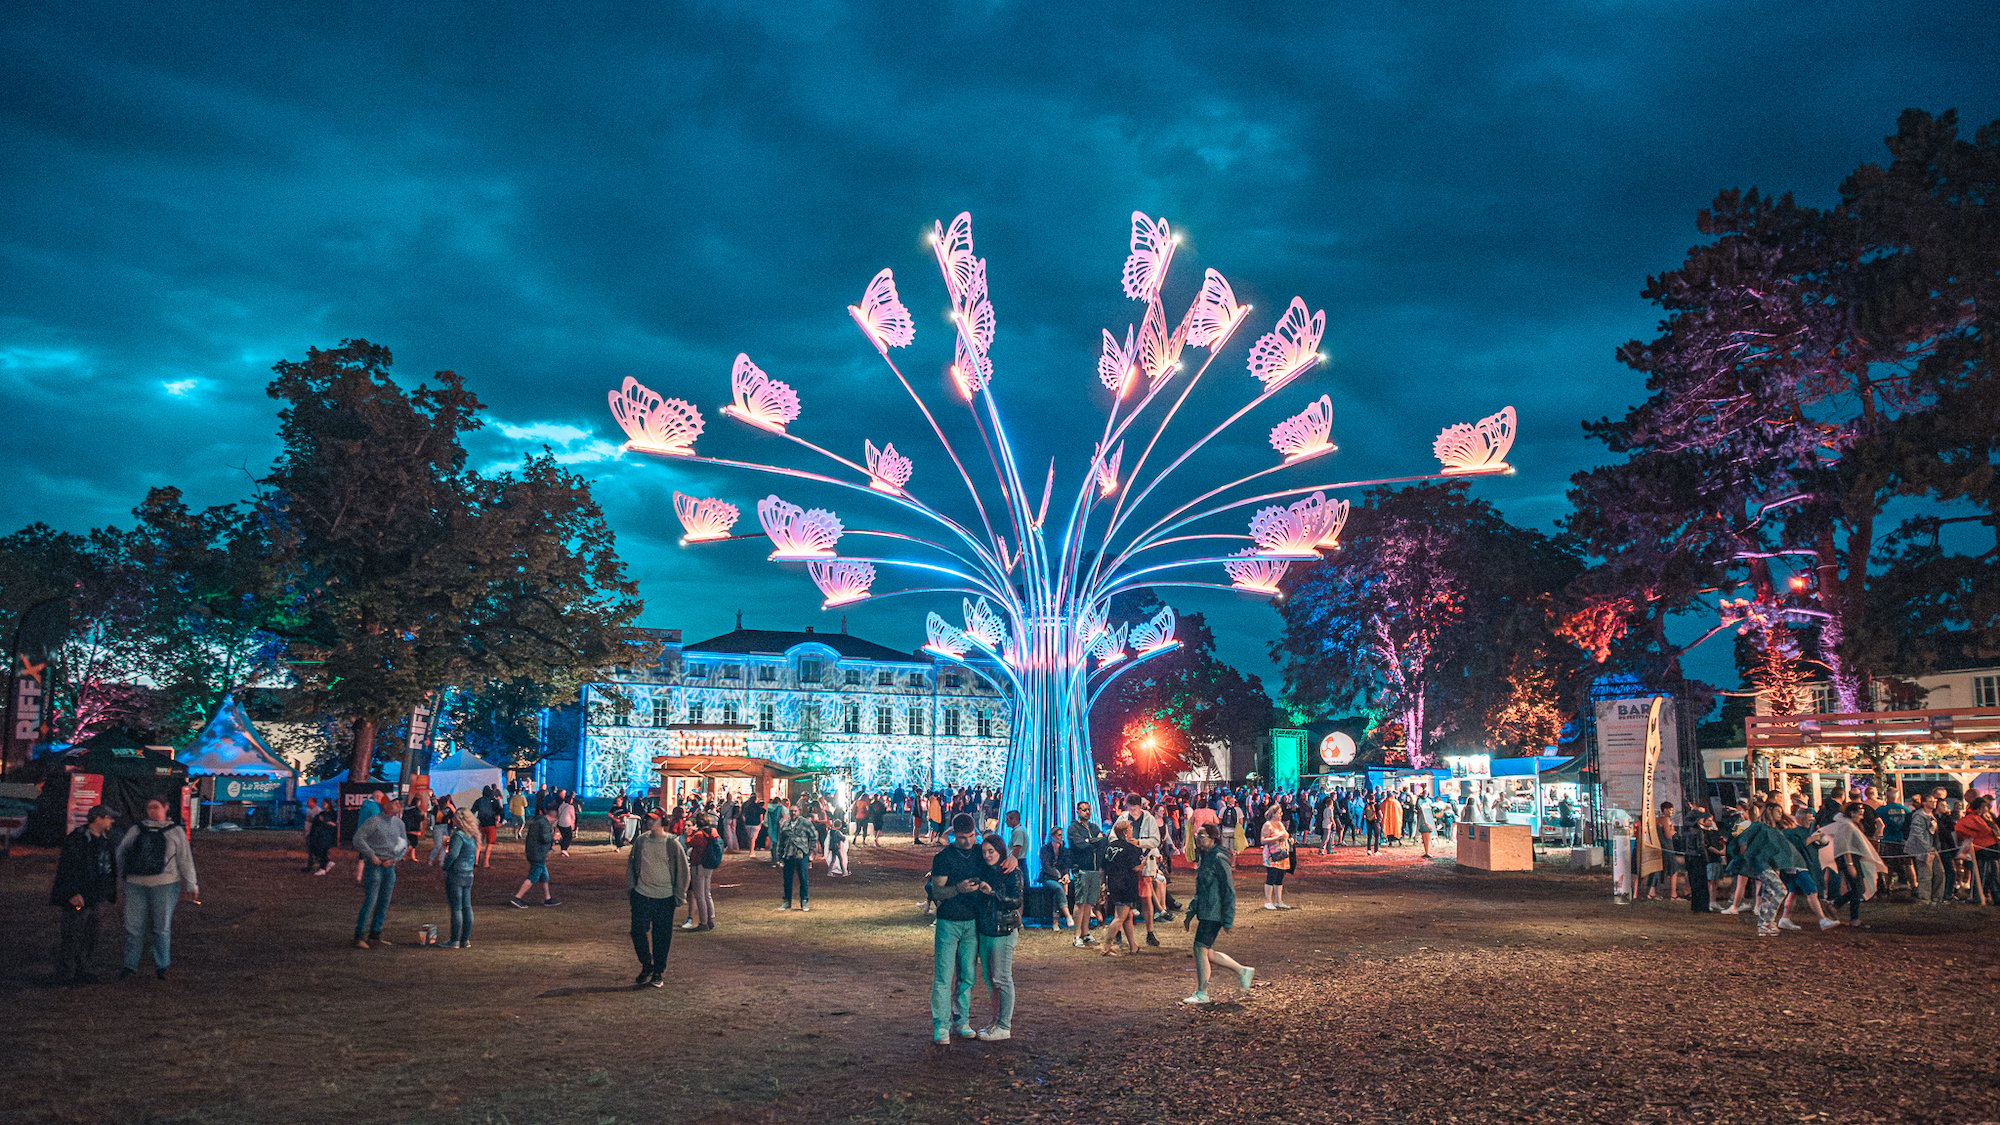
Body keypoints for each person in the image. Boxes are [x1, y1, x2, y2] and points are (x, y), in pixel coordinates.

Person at [928, 813, 986, 1044]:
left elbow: (1002, 856)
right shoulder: (943, 858)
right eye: (962, 838)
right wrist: (958, 889)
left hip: (972, 922)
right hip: (949, 921)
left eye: (971, 836)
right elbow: (937, 891)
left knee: (968, 976)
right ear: (954, 835)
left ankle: (961, 1021)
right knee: (943, 976)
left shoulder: (981, 853)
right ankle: (941, 1025)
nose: (968, 842)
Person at [1182, 824, 1253, 1004]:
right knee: (1205, 951)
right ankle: (1242, 971)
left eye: (1202, 836)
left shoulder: (1219, 858)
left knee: (1200, 948)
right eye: (1197, 835)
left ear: (1213, 838)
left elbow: (1228, 889)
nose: (1198, 839)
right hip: (1206, 910)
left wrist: (1228, 918)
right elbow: (1201, 890)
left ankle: (1202, 992)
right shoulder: (1206, 857)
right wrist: (1191, 912)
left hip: (1214, 912)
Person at [51, 803, 121, 985]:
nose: (111, 821)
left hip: (94, 896)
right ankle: (67, 973)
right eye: (108, 817)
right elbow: (67, 868)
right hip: (81, 895)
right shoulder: (78, 840)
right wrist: (72, 892)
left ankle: (79, 970)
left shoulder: (100, 840)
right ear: (98, 818)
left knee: (90, 935)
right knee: (73, 935)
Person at [627, 810, 689, 988]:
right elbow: (632, 863)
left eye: (653, 819)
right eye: (648, 818)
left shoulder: (672, 843)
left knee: (661, 936)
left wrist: (679, 894)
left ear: (663, 821)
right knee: (637, 931)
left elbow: (682, 870)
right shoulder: (641, 840)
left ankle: (657, 971)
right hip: (642, 894)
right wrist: (632, 887)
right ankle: (647, 964)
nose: (649, 822)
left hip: (664, 896)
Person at [972, 833, 1024, 1041]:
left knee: (1002, 978)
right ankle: (995, 1021)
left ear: (1000, 851)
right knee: (990, 979)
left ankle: (1004, 1025)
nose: (986, 855)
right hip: (986, 930)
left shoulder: (1012, 872)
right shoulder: (983, 869)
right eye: (984, 852)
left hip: (1003, 930)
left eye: (991, 851)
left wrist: (992, 893)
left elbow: (1016, 900)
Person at [351, 794, 408, 949]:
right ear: (386, 805)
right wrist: (372, 855)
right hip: (375, 864)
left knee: (384, 900)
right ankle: (360, 935)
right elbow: (358, 839)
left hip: (389, 864)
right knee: (372, 900)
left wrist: (395, 858)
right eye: (394, 803)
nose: (398, 805)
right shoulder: (374, 821)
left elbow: (403, 843)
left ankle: (374, 933)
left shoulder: (399, 824)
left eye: (398, 803)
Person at [1099, 821, 1144, 956]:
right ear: (1125, 832)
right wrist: (1145, 862)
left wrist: (1102, 884)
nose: (1131, 830)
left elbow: (1102, 868)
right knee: (1119, 917)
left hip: (1113, 884)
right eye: (1129, 828)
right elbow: (1136, 867)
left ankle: (1133, 946)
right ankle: (1106, 946)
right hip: (1126, 885)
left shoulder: (1109, 847)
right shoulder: (1131, 849)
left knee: (1127, 916)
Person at [1066, 801, 1105, 948]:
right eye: (1083, 810)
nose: (1087, 812)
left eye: (1088, 810)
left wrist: (1091, 841)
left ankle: (1085, 932)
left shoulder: (1093, 827)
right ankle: (1076, 935)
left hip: (1094, 869)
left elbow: (1102, 842)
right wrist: (1094, 840)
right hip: (1082, 869)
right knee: (1080, 902)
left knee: (1089, 903)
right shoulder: (1073, 828)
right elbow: (1080, 845)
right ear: (1077, 811)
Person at [511, 803, 561, 908]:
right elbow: (545, 839)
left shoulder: (539, 821)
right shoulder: (544, 824)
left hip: (534, 852)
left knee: (544, 876)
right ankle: (517, 897)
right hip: (538, 854)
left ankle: (548, 898)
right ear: (554, 818)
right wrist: (555, 837)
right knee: (533, 876)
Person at [443, 808, 479, 948]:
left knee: (456, 908)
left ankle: (455, 940)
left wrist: (445, 866)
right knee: (467, 907)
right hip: (468, 873)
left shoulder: (458, 835)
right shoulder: (471, 835)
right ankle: (465, 939)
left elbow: (453, 855)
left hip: (456, 873)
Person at [683, 813, 720, 931]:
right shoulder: (712, 833)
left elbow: (689, 843)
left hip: (699, 865)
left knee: (700, 895)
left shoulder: (699, 835)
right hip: (709, 865)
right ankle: (711, 920)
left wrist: (689, 835)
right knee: (707, 894)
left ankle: (703, 922)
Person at [777, 802, 816, 910]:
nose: (793, 813)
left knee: (803, 879)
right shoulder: (785, 824)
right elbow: (781, 842)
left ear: (799, 812)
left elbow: (813, 837)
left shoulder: (806, 823)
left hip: (801, 854)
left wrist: (811, 853)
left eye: (795, 811)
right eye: (791, 811)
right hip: (788, 855)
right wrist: (779, 857)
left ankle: (804, 901)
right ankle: (787, 901)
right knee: (787, 879)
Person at [1907, 794, 1945, 905]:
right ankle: (1924, 898)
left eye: (1934, 801)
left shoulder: (1931, 815)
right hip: (1923, 849)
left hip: (1933, 848)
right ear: (1924, 803)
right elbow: (1917, 833)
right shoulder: (1918, 816)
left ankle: (1936, 897)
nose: (1933, 803)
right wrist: (1926, 848)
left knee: (1939, 873)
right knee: (1925, 874)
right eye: (1930, 801)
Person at [1258, 804, 1296, 910]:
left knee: (1279, 878)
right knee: (1271, 876)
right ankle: (1268, 901)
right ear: (1273, 814)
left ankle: (1279, 901)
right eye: (1279, 813)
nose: (1281, 814)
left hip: (1282, 855)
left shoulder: (1280, 824)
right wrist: (1276, 838)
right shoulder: (1267, 825)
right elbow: (1263, 840)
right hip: (1272, 855)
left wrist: (1289, 841)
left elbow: (1285, 835)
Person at [470, 786, 502, 868]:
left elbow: (472, 811)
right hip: (491, 824)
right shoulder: (493, 801)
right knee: (489, 844)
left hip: (481, 824)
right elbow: (500, 811)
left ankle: (476, 861)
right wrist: (501, 821)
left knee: (478, 843)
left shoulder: (479, 801)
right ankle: (486, 863)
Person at [305, 802, 338, 875]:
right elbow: (317, 820)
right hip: (319, 835)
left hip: (327, 835)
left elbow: (332, 823)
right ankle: (327, 862)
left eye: (325, 803)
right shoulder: (322, 813)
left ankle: (323, 868)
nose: (323, 805)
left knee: (322, 850)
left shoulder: (333, 813)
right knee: (317, 850)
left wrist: (325, 821)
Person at [554, 791, 578, 856]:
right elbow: (573, 817)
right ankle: (564, 849)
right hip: (567, 823)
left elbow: (558, 813)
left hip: (560, 823)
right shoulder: (571, 807)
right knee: (568, 836)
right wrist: (573, 824)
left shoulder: (561, 805)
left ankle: (563, 849)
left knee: (564, 836)